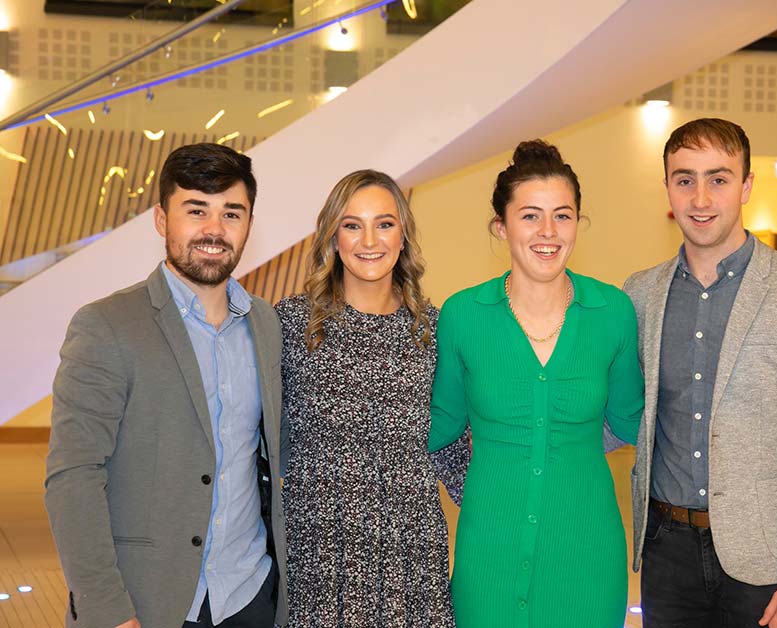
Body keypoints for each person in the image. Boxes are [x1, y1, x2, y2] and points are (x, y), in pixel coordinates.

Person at [623, 118, 777, 628]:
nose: (701, 197)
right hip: (667, 557)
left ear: (747, 185)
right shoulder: (640, 294)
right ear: (667, 187)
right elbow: (621, 413)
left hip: (775, 567)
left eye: (719, 178)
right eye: (684, 179)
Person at [45, 143, 287, 628]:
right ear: (161, 219)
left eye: (231, 213)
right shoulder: (106, 326)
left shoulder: (266, 324)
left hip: (250, 595)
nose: (214, 230)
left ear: (249, 226)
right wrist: (109, 610)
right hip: (148, 602)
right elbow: (73, 477)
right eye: (196, 210)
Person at [429, 140, 645, 628]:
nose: (548, 232)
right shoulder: (463, 314)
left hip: (587, 550)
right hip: (489, 548)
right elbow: (437, 426)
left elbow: (632, 420)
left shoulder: (612, 312)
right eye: (530, 216)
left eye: (562, 216)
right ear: (501, 227)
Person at [276, 169, 468, 628]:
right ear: (332, 237)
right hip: (320, 551)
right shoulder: (291, 325)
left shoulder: (434, 331)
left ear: (403, 236)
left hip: (409, 553)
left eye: (384, 223)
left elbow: (452, 448)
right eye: (352, 224)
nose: (369, 240)